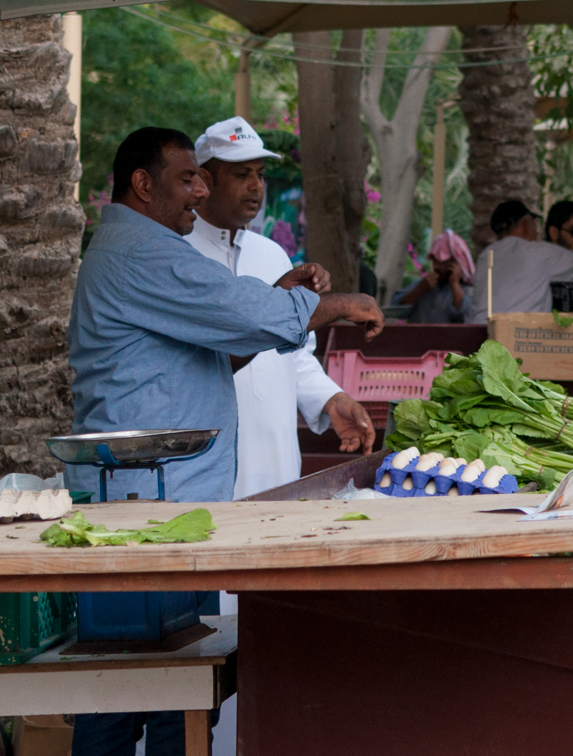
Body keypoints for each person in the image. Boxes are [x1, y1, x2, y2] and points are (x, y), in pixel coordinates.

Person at [68, 128, 383, 756]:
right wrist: (338, 303)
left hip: (171, 505)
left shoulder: (152, 246)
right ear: (142, 183)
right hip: (143, 510)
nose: (200, 190)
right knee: (126, 693)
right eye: (189, 178)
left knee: (173, 691)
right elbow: (248, 317)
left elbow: (222, 351)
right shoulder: (143, 250)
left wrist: (284, 307)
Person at [185, 117, 375, 499]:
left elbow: (296, 353)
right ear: (204, 180)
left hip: (277, 463)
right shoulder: (180, 255)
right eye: (242, 174)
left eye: (260, 174)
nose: (256, 186)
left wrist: (330, 399)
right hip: (204, 470)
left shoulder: (272, 254)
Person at [467, 200, 573, 323]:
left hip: (483, 336)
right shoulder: (538, 252)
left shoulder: (485, 256)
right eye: (533, 224)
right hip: (518, 339)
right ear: (526, 224)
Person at [400, 230, 474, 324]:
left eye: (442, 262)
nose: (436, 267)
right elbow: (398, 308)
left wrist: (455, 284)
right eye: (435, 261)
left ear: (456, 264)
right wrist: (419, 290)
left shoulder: (468, 291)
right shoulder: (423, 285)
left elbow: (462, 316)